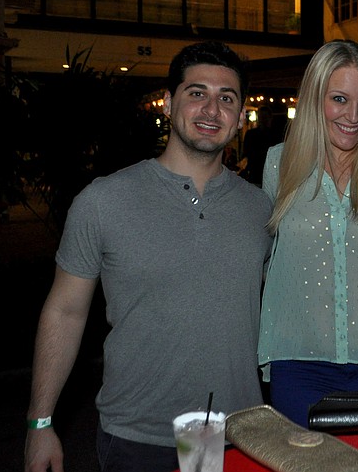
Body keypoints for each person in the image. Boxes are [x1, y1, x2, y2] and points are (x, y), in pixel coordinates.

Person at [24, 41, 273, 472]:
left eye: (226, 98)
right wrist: (40, 422)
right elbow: (64, 312)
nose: (211, 110)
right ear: (168, 101)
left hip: (238, 436)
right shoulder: (104, 201)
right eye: (197, 93)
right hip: (137, 438)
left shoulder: (261, 210)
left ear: (239, 115)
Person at [257, 40, 358, 427]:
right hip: (298, 362)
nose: (354, 115)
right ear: (315, 98)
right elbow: (265, 258)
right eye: (340, 99)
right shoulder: (279, 163)